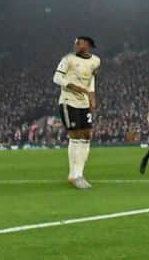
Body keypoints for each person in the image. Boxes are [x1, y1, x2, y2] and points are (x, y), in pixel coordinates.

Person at [53, 36, 100, 189]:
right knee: (75, 135)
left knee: (87, 135)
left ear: (86, 45)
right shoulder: (68, 59)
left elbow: (91, 80)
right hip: (68, 101)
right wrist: (73, 86)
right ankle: (75, 175)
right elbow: (57, 77)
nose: (75, 45)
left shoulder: (96, 61)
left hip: (84, 103)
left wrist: (92, 97)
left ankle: (79, 173)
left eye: (78, 43)